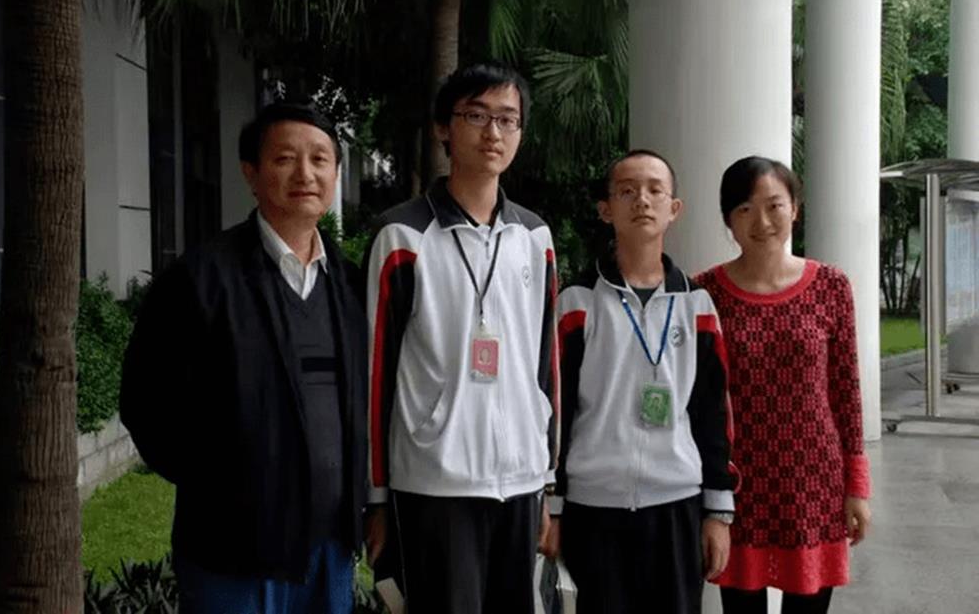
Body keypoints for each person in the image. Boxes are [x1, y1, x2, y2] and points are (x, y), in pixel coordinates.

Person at [120, 102, 368, 614]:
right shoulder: (200, 280)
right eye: (285, 159)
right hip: (232, 554)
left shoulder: (349, 284)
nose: (305, 174)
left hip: (330, 551)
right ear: (251, 173)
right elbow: (146, 404)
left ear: (336, 174)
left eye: (320, 159)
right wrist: (224, 488)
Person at [364, 62, 559, 614]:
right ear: (443, 129)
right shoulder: (402, 236)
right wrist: (376, 497)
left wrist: (547, 482)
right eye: (476, 116)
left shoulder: (534, 237)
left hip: (520, 480)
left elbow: (546, 366)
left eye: (507, 119)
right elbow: (375, 373)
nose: (493, 132)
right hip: (435, 481)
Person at [546, 150, 736, 614]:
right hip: (594, 507)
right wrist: (553, 505)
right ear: (605, 209)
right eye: (627, 191)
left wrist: (717, 511)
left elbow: (712, 413)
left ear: (674, 208)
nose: (642, 201)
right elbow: (555, 411)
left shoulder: (697, 305)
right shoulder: (577, 302)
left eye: (655, 190)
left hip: (677, 503)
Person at [695, 155, 872, 614]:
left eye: (774, 205)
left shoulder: (831, 286)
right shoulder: (704, 292)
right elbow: (697, 402)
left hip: (814, 484)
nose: (762, 221)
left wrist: (856, 486)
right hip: (738, 486)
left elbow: (846, 391)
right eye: (745, 209)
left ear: (795, 208)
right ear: (728, 219)